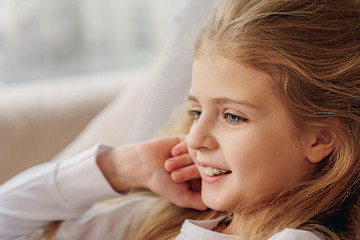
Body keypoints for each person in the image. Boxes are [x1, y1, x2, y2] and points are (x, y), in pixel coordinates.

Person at [1, 0, 360, 239]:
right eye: (196, 112)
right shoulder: (159, 219)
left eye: (233, 116)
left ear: (320, 138)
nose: (195, 138)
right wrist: (122, 168)